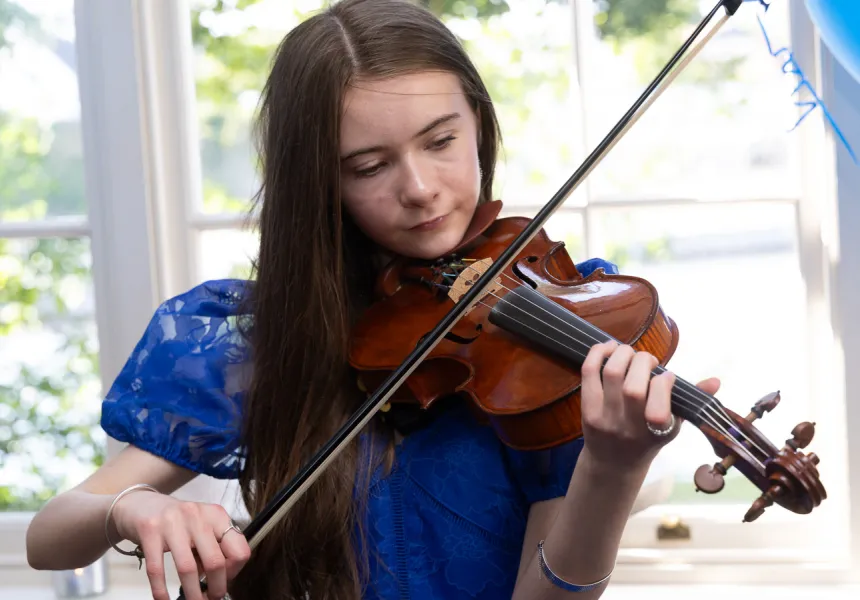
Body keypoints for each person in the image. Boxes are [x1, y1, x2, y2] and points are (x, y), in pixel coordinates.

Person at [25, 0, 720, 598]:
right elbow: (51, 537)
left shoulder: (557, 327)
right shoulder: (258, 337)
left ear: (478, 123)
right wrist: (134, 508)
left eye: (442, 141)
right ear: (317, 184)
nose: (419, 187)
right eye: (368, 166)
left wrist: (612, 467)